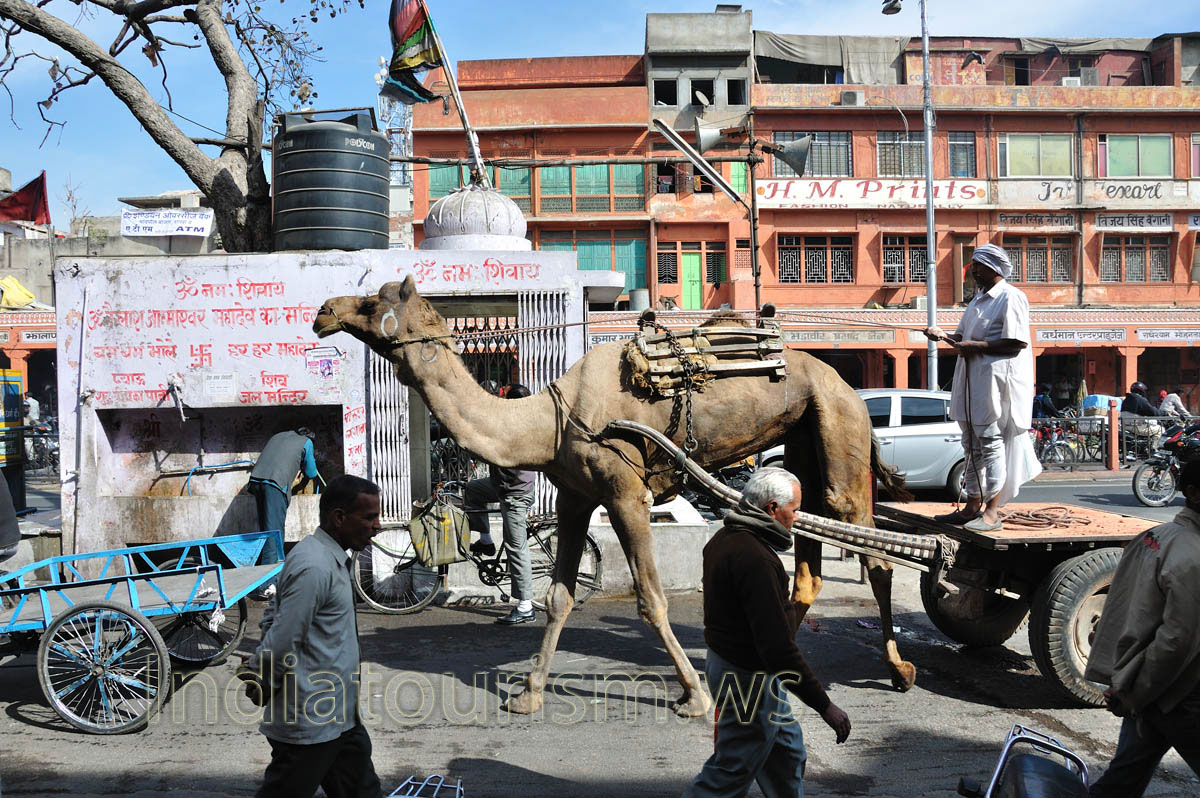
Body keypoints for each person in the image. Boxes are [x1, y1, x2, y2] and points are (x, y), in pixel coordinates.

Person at [682, 467, 851, 798]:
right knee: (730, 772)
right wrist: (825, 706)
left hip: (734, 667)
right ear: (773, 508)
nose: (797, 517)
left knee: (787, 754)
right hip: (748, 679)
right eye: (795, 509)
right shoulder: (755, 558)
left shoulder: (724, 539)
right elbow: (777, 649)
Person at [239, 474, 384, 798]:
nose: (378, 526)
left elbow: (281, 620)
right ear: (339, 517)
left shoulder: (330, 559)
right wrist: (260, 678)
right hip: (311, 723)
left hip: (340, 716)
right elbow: (283, 637)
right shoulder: (314, 565)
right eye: (370, 517)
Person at [1084, 459, 1200, 797]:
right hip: (1177, 693)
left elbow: (1120, 615)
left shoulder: (1154, 537)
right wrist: (1134, 691)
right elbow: (1176, 642)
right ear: (1193, 493)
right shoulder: (1191, 555)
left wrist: (1121, 682)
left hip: (1146, 687)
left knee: (1121, 782)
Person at [924, 243, 1041, 532]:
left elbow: (1016, 343)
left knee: (990, 442)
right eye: (973, 265)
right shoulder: (977, 300)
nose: (973, 270)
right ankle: (972, 506)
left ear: (993, 267)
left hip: (995, 381)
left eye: (978, 265)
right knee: (971, 444)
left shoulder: (1011, 297)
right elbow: (962, 337)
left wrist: (975, 346)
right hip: (971, 377)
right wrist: (942, 336)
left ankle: (992, 511)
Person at [464, 383, 539, 625]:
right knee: (473, 490)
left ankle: (526, 605)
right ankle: (486, 540)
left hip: (516, 493)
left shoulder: (523, 427)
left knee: (516, 548)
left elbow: (496, 451)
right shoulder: (511, 422)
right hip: (501, 486)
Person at [247, 428, 319, 569]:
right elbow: (311, 472)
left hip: (256, 482)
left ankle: (264, 574)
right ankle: (269, 582)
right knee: (275, 536)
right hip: (275, 485)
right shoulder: (307, 442)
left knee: (266, 532)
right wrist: (297, 482)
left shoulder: (278, 435)